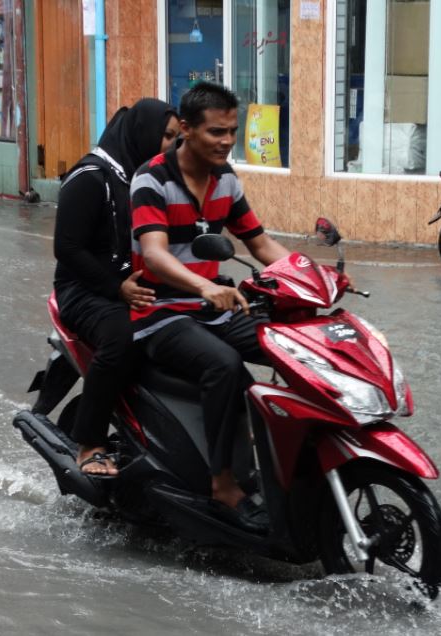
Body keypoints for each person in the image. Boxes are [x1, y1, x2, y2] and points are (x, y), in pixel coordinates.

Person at [129, 82, 292, 532]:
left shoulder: (227, 179)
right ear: (185, 129)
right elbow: (156, 253)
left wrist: (315, 275)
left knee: (288, 344)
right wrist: (203, 286)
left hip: (214, 306)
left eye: (232, 131)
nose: (226, 141)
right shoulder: (151, 178)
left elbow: (259, 244)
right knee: (224, 366)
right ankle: (223, 483)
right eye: (216, 132)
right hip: (159, 313)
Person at [53, 98, 179, 477]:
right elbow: (67, 248)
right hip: (84, 291)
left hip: (136, 283)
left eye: (177, 137)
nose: (172, 145)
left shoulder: (151, 180)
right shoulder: (90, 177)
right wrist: (116, 287)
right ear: (144, 133)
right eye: (166, 135)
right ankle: (90, 442)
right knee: (121, 336)